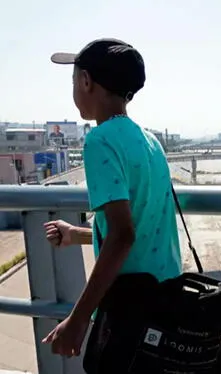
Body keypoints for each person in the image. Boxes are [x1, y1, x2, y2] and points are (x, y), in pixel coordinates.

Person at [42, 38, 182, 357]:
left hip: (129, 307)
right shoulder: (150, 142)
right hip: (166, 301)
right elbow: (143, 226)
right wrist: (77, 235)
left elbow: (122, 235)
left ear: (86, 81)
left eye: (74, 79)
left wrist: (77, 320)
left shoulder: (100, 141)